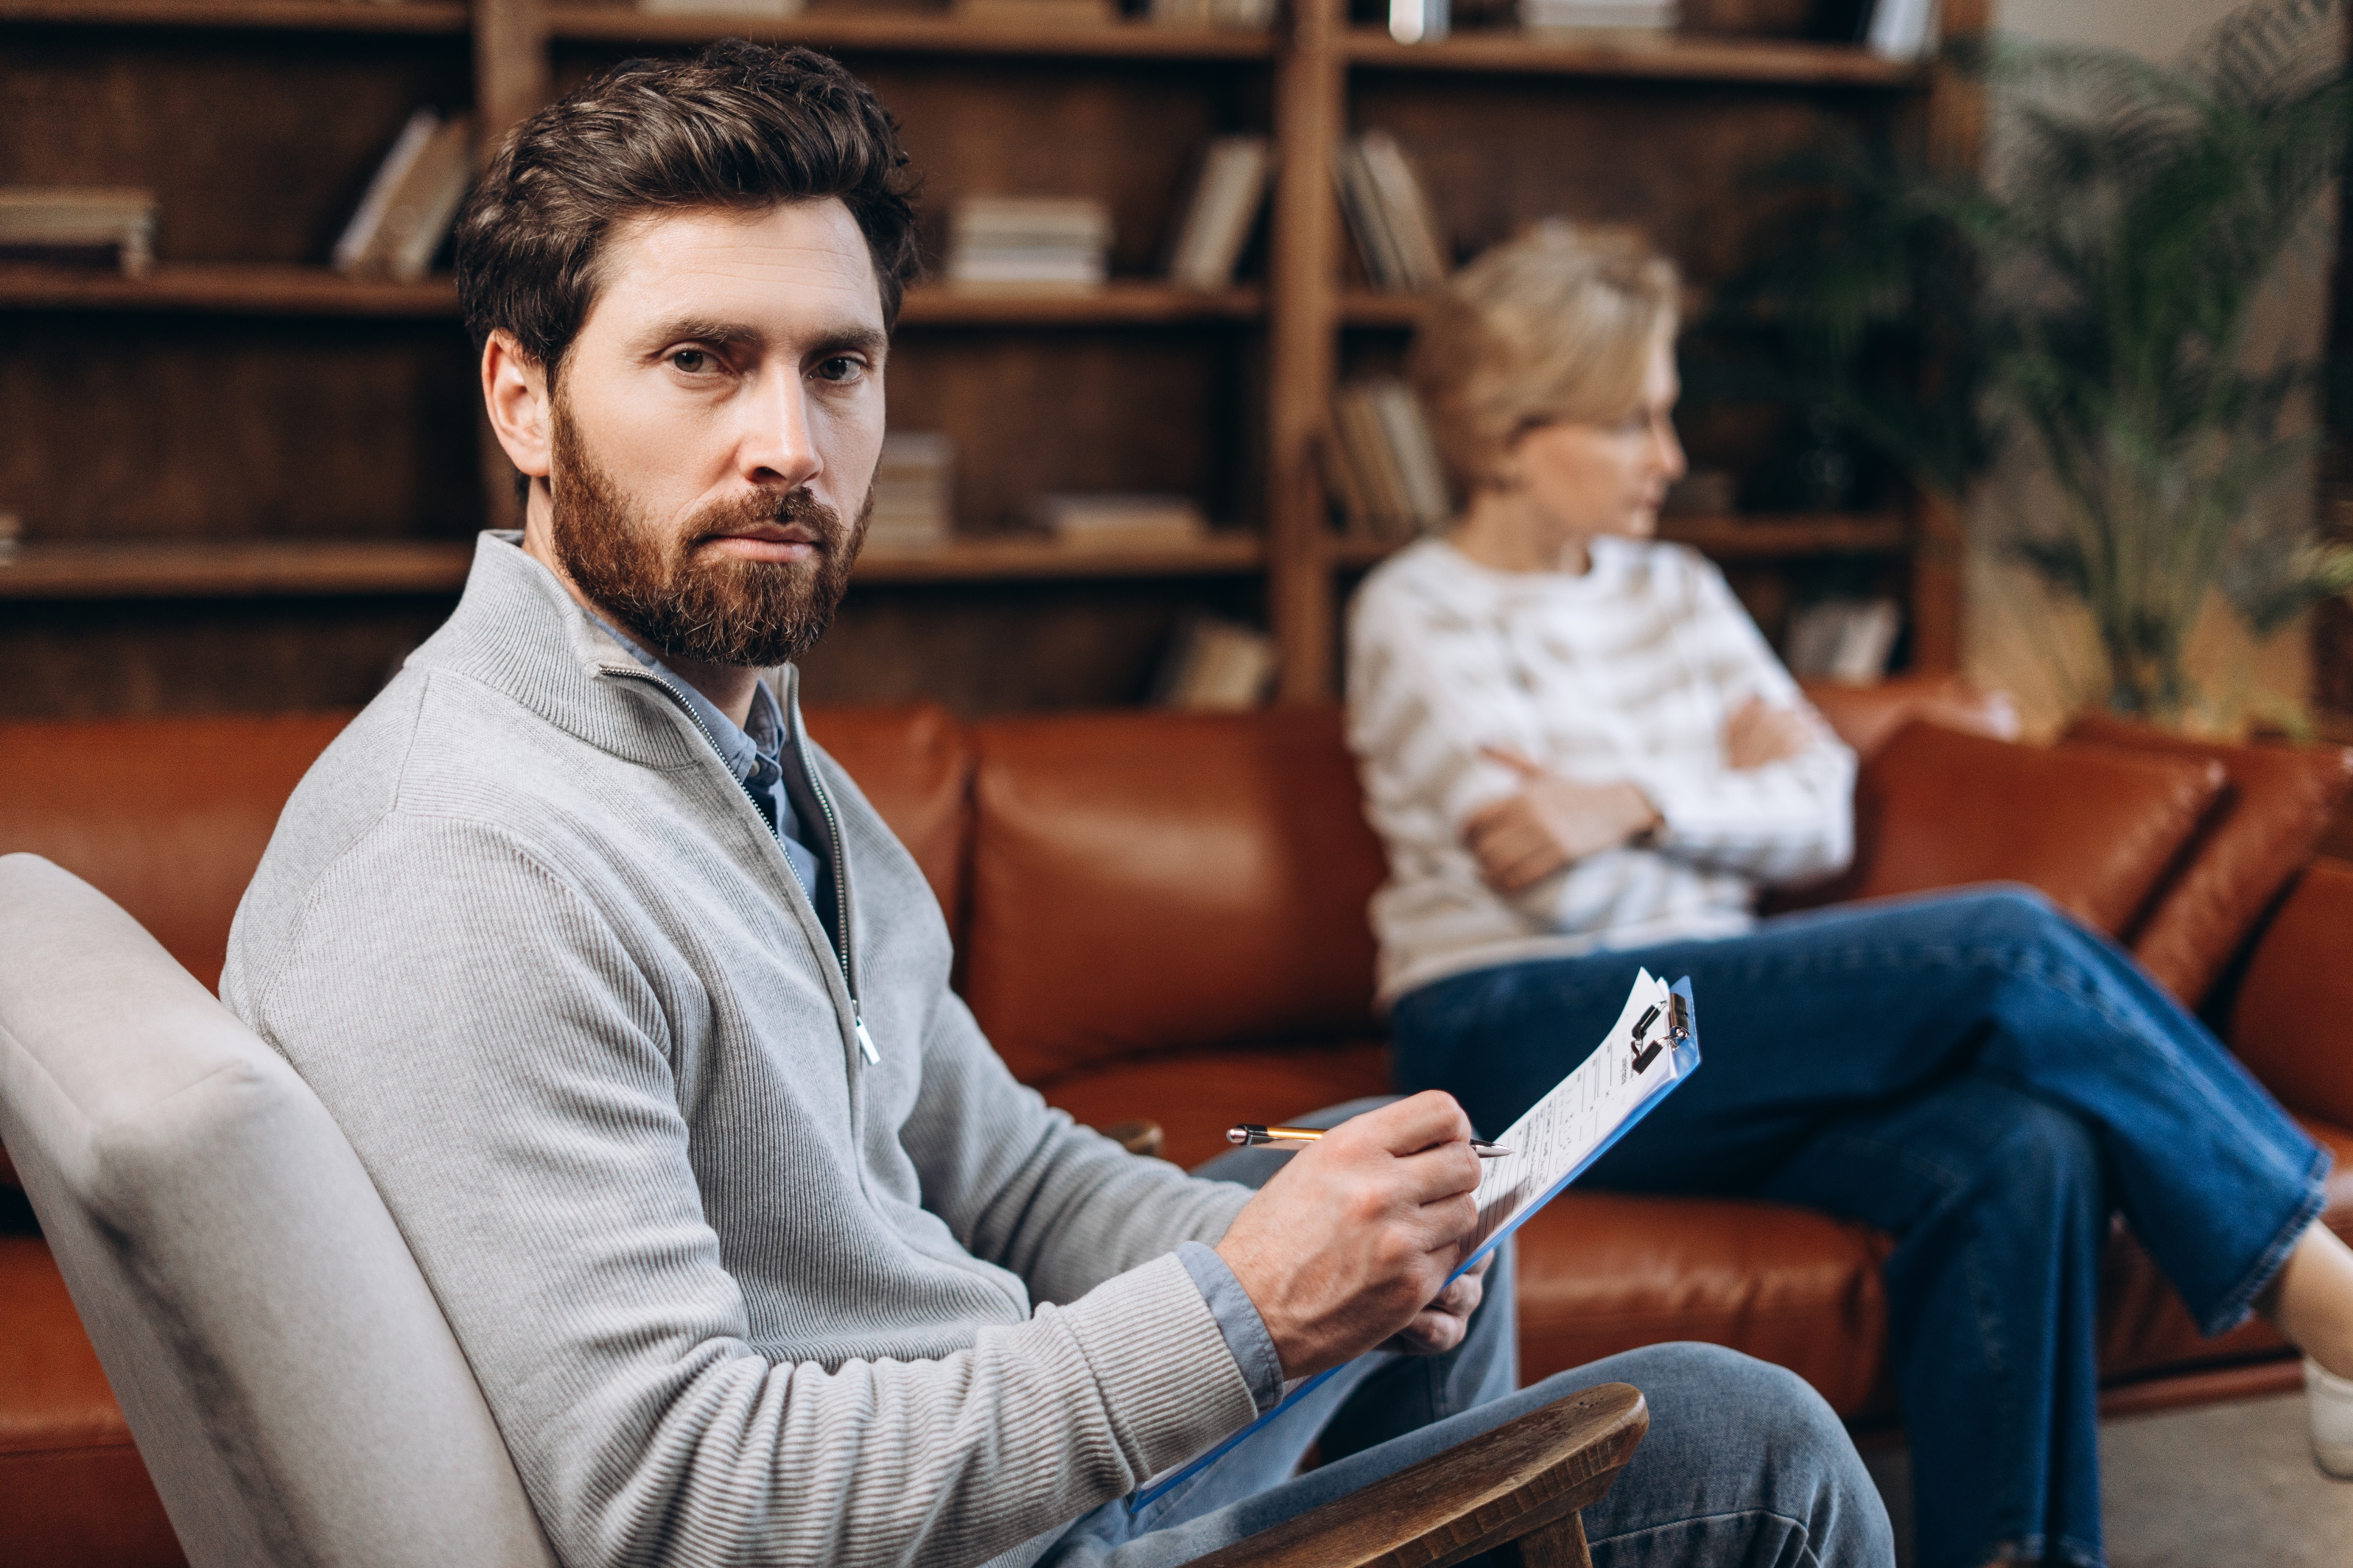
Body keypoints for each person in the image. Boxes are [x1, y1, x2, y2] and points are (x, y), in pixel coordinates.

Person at [220, 46, 1893, 1568]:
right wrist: (1241, 1310)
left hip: (973, 1444)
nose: (786, 443)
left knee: (1435, 1227)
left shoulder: (742, 741)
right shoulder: (475, 863)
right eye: (702, 363)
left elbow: (1002, 1172)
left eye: (840, 367)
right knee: (1752, 1442)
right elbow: (685, 1506)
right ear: (523, 395)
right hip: (934, 1539)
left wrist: (1311, 1267)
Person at [1345, 222, 2353, 1568]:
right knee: (2004, 945)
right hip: (1514, 1032)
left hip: (1700, 1035)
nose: (1673, 456)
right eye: (1635, 420)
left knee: (2019, 1144)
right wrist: (1706, 774)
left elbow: (1813, 810)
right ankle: (2328, 1305)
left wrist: (1632, 797)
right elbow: (1528, 864)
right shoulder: (1415, 609)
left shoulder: (1681, 592)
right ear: (1512, 432)